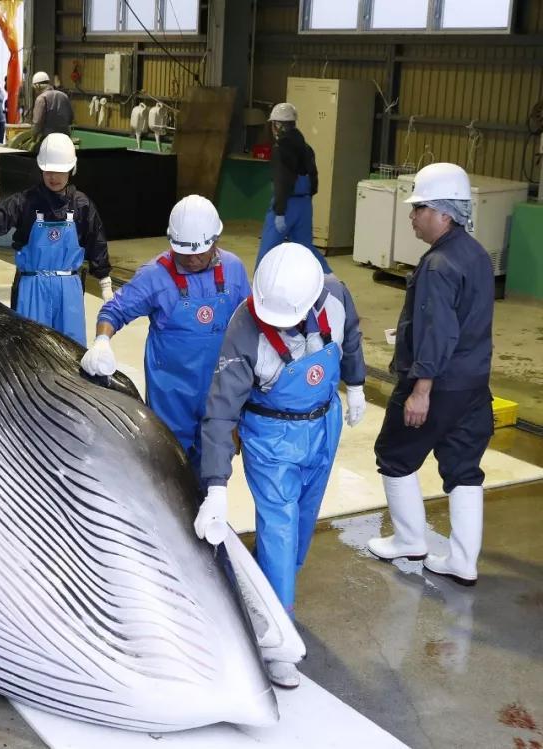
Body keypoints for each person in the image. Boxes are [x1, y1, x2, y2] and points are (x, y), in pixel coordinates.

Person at [193, 242, 365, 688]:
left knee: (302, 525)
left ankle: (268, 589)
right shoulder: (244, 328)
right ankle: (277, 638)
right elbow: (221, 410)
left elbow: (353, 336)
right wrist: (215, 484)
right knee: (280, 529)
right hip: (272, 440)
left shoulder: (336, 295)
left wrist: (358, 382)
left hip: (324, 426)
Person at [366, 163, 494, 587]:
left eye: (419, 207)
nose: (412, 216)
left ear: (443, 213)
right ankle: (462, 561)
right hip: (473, 387)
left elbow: (439, 333)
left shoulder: (438, 264)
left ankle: (409, 539)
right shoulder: (476, 253)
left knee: (395, 455)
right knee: (464, 469)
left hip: (436, 385)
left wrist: (420, 390)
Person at [85, 196, 250, 466]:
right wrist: (102, 340)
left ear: (215, 242)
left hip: (219, 394)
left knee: (215, 471)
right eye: (184, 253)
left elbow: (250, 323)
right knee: (173, 467)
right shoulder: (154, 276)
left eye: (200, 252)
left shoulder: (233, 269)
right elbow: (113, 310)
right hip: (172, 399)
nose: (193, 259)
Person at [0, 133, 111, 346]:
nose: (53, 177)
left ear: (71, 170)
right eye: (49, 170)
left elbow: (97, 240)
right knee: (30, 347)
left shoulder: (82, 205)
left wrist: (105, 282)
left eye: (59, 171)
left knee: (72, 349)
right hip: (32, 287)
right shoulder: (26, 202)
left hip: (68, 290)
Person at [257, 102, 328, 273]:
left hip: (286, 205)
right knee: (306, 250)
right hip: (304, 205)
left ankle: (259, 293)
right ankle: (328, 279)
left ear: (278, 125)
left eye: (273, 124)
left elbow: (282, 181)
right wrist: (306, 200)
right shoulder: (306, 147)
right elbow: (314, 178)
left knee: (268, 251)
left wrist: (280, 212)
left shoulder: (280, 148)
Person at [29, 71, 73, 145]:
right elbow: (71, 118)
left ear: (37, 85)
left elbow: (38, 122)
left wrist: (33, 137)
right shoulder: (64, 96)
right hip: (65, 139)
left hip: (48, 140)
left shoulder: (41, 99)